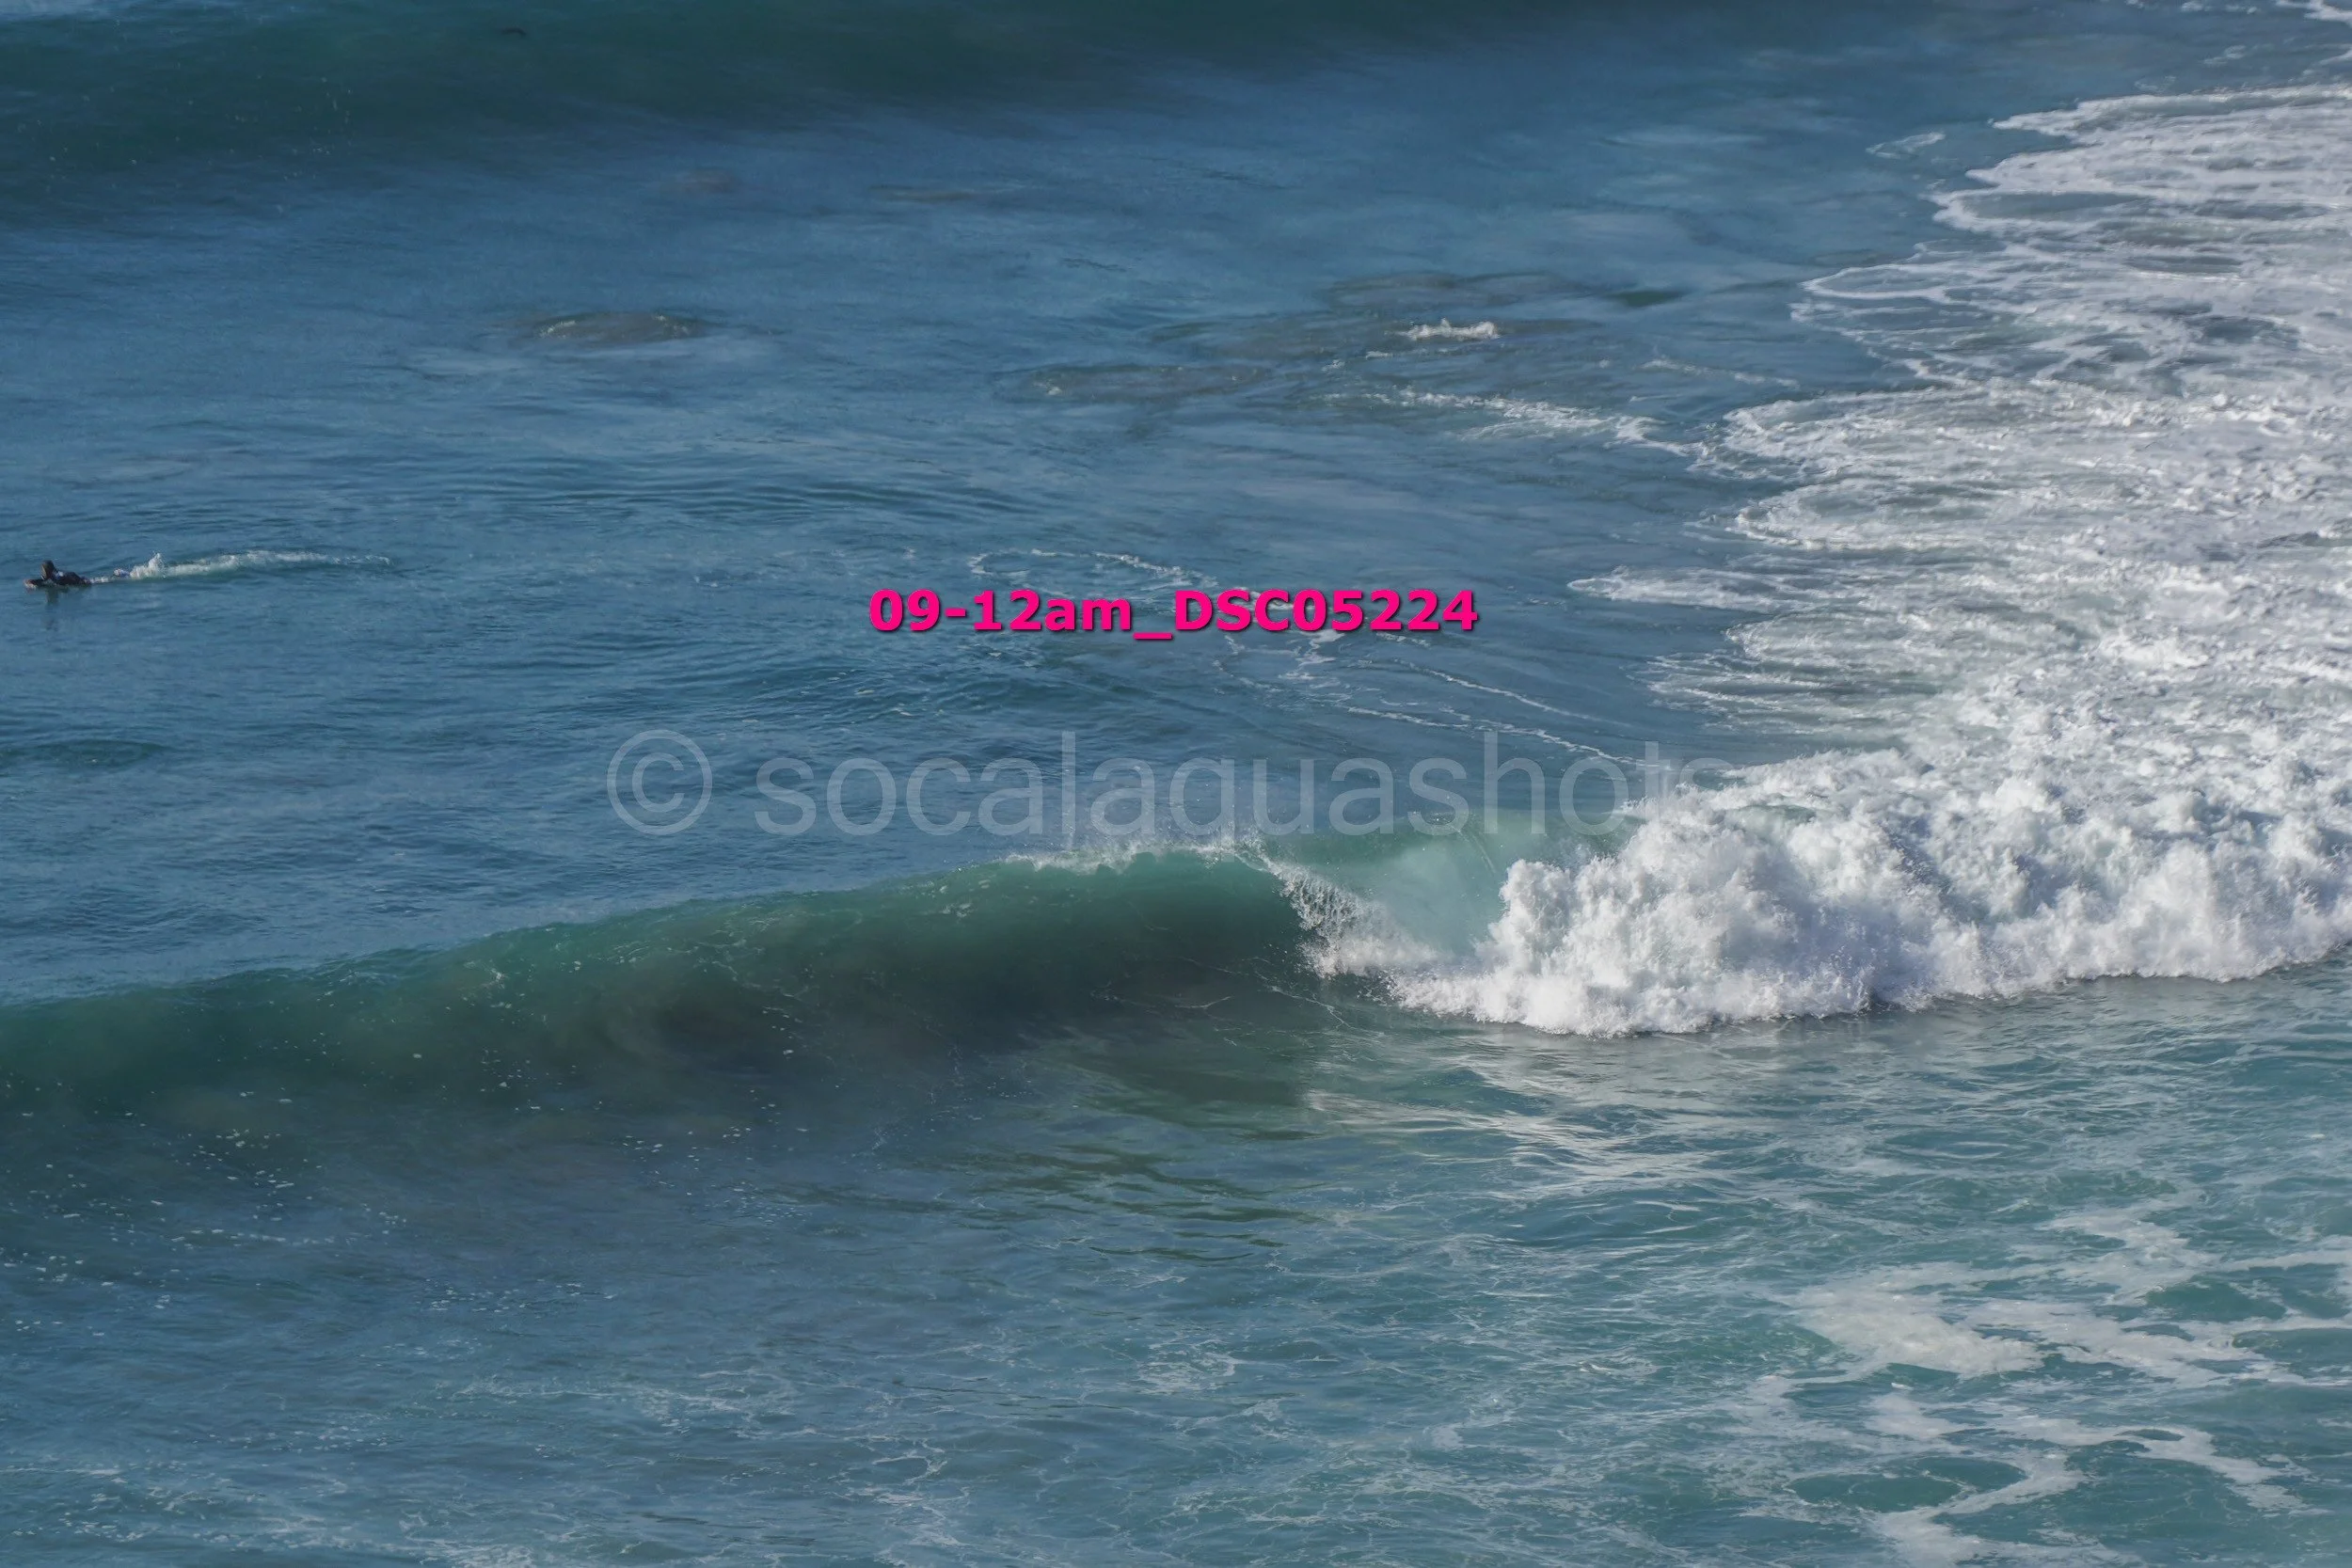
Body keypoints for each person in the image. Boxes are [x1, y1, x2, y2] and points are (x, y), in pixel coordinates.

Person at [26, 560, 93, 588]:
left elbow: (65, 581)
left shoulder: (57, 576)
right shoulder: (50, 573)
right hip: (68, 576)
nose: (42, 571)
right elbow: (43, 580)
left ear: (47, 569)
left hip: (71, 577)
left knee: (81, 583)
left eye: (43, 569)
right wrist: (32, 581)